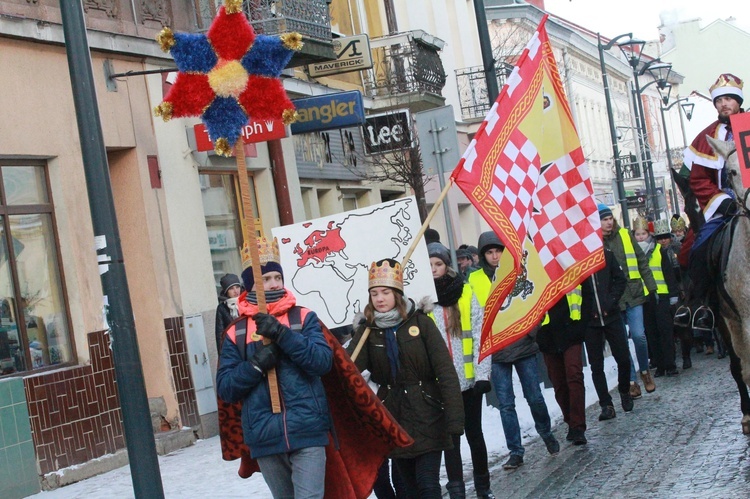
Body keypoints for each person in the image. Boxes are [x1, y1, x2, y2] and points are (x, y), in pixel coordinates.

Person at [216, 237, 333, 499]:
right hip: (265, 436)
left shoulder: (303, 318)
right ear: (251, 284)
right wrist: (256, 366)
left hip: (307, 429)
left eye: (276, 277)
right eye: (265, 278)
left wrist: (282, 335)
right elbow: (226, 388)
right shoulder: (237, 331)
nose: (273, 284)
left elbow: (322, 362)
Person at [347, 258, 464, 498]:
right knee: (409, 489)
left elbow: (445, 371)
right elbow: (349, 371)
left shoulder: (421, 323)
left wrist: (454, 419)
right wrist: (358, 334)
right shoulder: (368, 331)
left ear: (397, 294)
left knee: (427, 484)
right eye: (375, 294)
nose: (380, 299)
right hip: (394, 418)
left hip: (428, 413)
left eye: (386, 292)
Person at [468, 231, 559, 470]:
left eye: (498, 250)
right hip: (496, 351)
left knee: (534, 397)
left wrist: (530, 332)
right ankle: (515, 451)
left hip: (522, 344)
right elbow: (474, 316)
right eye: (489, 252)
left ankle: (546, 432)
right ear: (482, 255)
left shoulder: (517, 270)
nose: (494, 255)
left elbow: (536, 301)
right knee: (506, 404)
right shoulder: (475, 280)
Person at [426, 243, 494, 499]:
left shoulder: (466, 294)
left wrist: (482, 374)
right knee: (450, 440)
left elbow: (479, 335)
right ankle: (456, 490)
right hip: (441, 384)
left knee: (474, 434)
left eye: (438, 264)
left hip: (469, 382)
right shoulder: (422, 302)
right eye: (430, 265)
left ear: (447, 266)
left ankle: (483, 487)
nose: (434, 270)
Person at [679, 73, 745, 331]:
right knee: (696, 247)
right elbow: (697, 180)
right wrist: (722, 201)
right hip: (725, 208)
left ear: (738, 101)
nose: (724, 104)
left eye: (729, 99)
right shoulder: (706, 137)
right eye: (719, 101)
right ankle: (701, 304)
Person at [598, 204, 658, 399]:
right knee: (622, 343)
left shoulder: (625, 234)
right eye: (604, 219)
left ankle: (644, 371)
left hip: (633, 293)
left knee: (639, 336)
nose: (608, 222)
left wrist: (652, 287)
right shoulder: (595, 242)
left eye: (609, 218)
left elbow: (641, 261)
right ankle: (632, 380)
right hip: (613, 299)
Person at [583, 246, 631, 421]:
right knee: (596, 366)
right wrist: (588, 310)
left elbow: (620, 280)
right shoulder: (575, 259)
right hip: (591, 321)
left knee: (624, 358)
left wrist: (610, 302)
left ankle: (624, 390)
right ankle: (606, 404)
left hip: (611, 316)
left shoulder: (607, 255)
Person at [538, 285, 590, 445]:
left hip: (572, 330)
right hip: (548, 335)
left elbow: (587, 296)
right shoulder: (535, 269)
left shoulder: (570, 263)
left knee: (574, 376)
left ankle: (578, 426)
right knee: (558, 383)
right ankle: (570, 420)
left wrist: (582, 325)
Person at [633, 219, 679, 377]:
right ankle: (659, 365)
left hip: (661, 295)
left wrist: (673, 294)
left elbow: (668, 274)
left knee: (665, 331)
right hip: (643, 298)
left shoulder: (659, 250)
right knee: (651, 333)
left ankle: (670, 364)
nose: (640, 237)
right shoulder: (632, 253)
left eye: (643, 234)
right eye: (637, 234)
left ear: (649, 234)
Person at [215, 273, 243, 350]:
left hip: (250, 342)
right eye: (231, 288)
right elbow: (220, 334)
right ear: (226, 291)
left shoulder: (247, 302)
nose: (235, 291)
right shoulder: (222, 308)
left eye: (237, 287)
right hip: (232, 346)